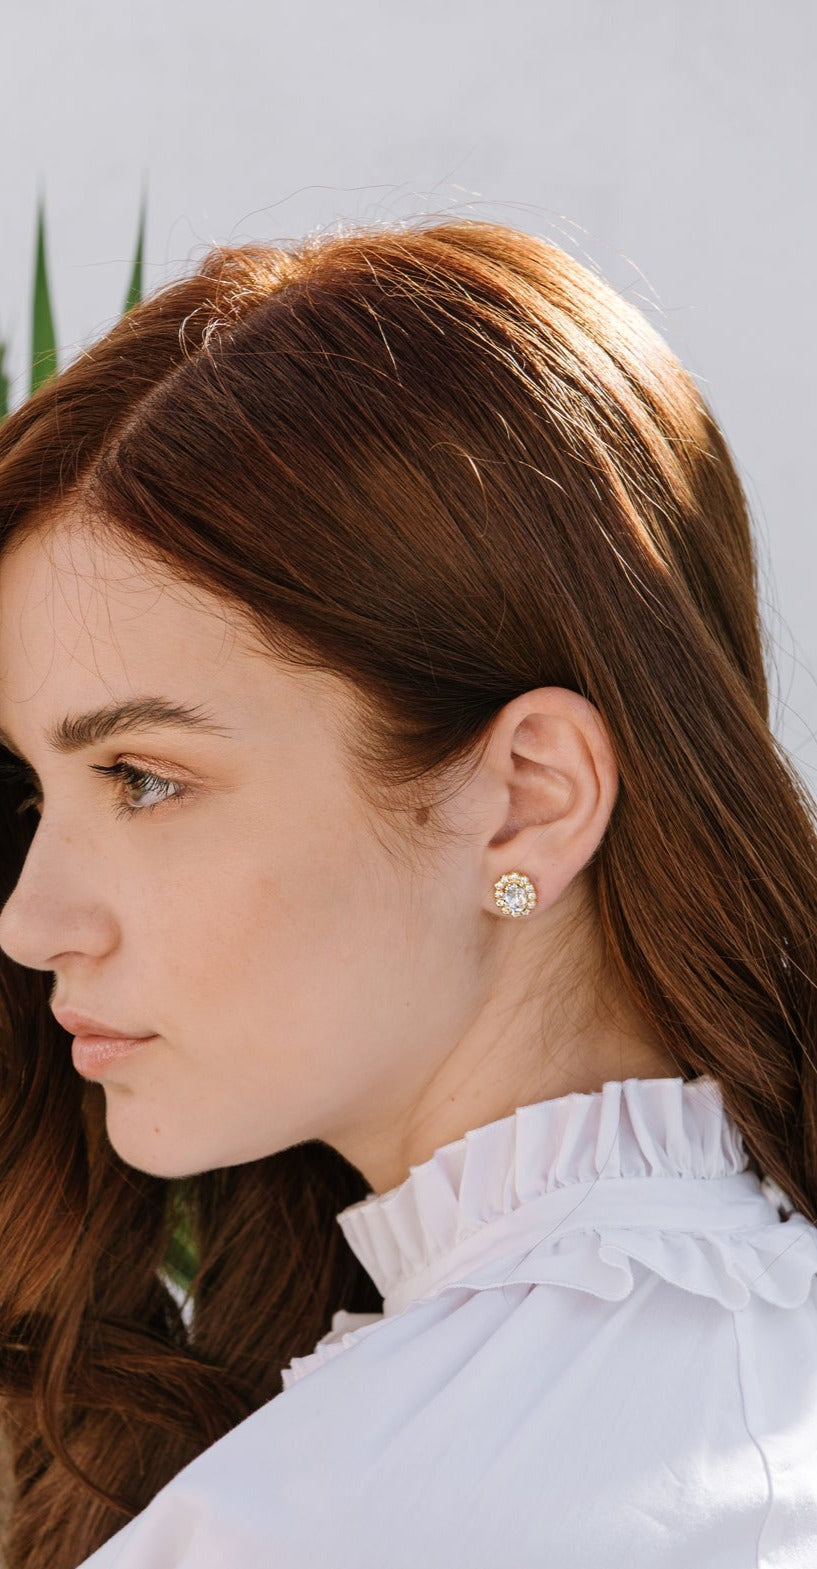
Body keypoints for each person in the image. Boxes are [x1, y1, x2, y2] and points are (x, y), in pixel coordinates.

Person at [0, 216, 815, 1569]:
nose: (31, 922)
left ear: (525, 797)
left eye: (143, 778)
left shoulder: (323, 1523)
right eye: (34, 794)